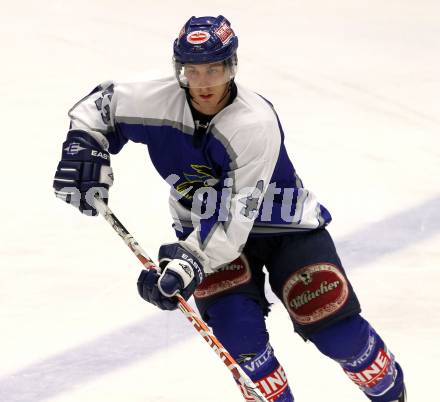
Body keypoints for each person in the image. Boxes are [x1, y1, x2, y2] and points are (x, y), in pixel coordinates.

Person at [53, 15, 406, 402]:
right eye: (192, 70)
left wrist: (187, 264)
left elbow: (237, 217)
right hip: (205, 235)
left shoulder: (253, 122)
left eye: (214, 69)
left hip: (285, 230)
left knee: (337, 332)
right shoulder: (155, 99)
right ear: (179, 68)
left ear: (232, 66)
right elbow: (101, 106)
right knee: (241, 342)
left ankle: (391, 393)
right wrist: (82, 146)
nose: (203, 82)